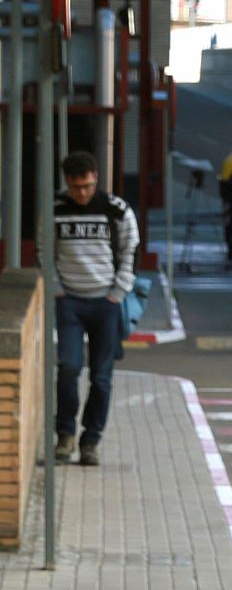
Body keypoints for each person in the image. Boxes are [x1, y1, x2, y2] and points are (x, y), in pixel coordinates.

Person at [52, 150, 139, 468]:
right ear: (67, 183)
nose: (82, 193)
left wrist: (118, 292)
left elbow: (131, 249)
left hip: (106, 303)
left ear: (96, 178)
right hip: (70, 303)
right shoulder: (55, 210)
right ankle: (65, 434)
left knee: (102, 378)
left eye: (87, 186)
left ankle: (91, 441)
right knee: (69, 369)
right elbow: (45, 252)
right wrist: (58, 290)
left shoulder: (117, 210)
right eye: (76, 187)